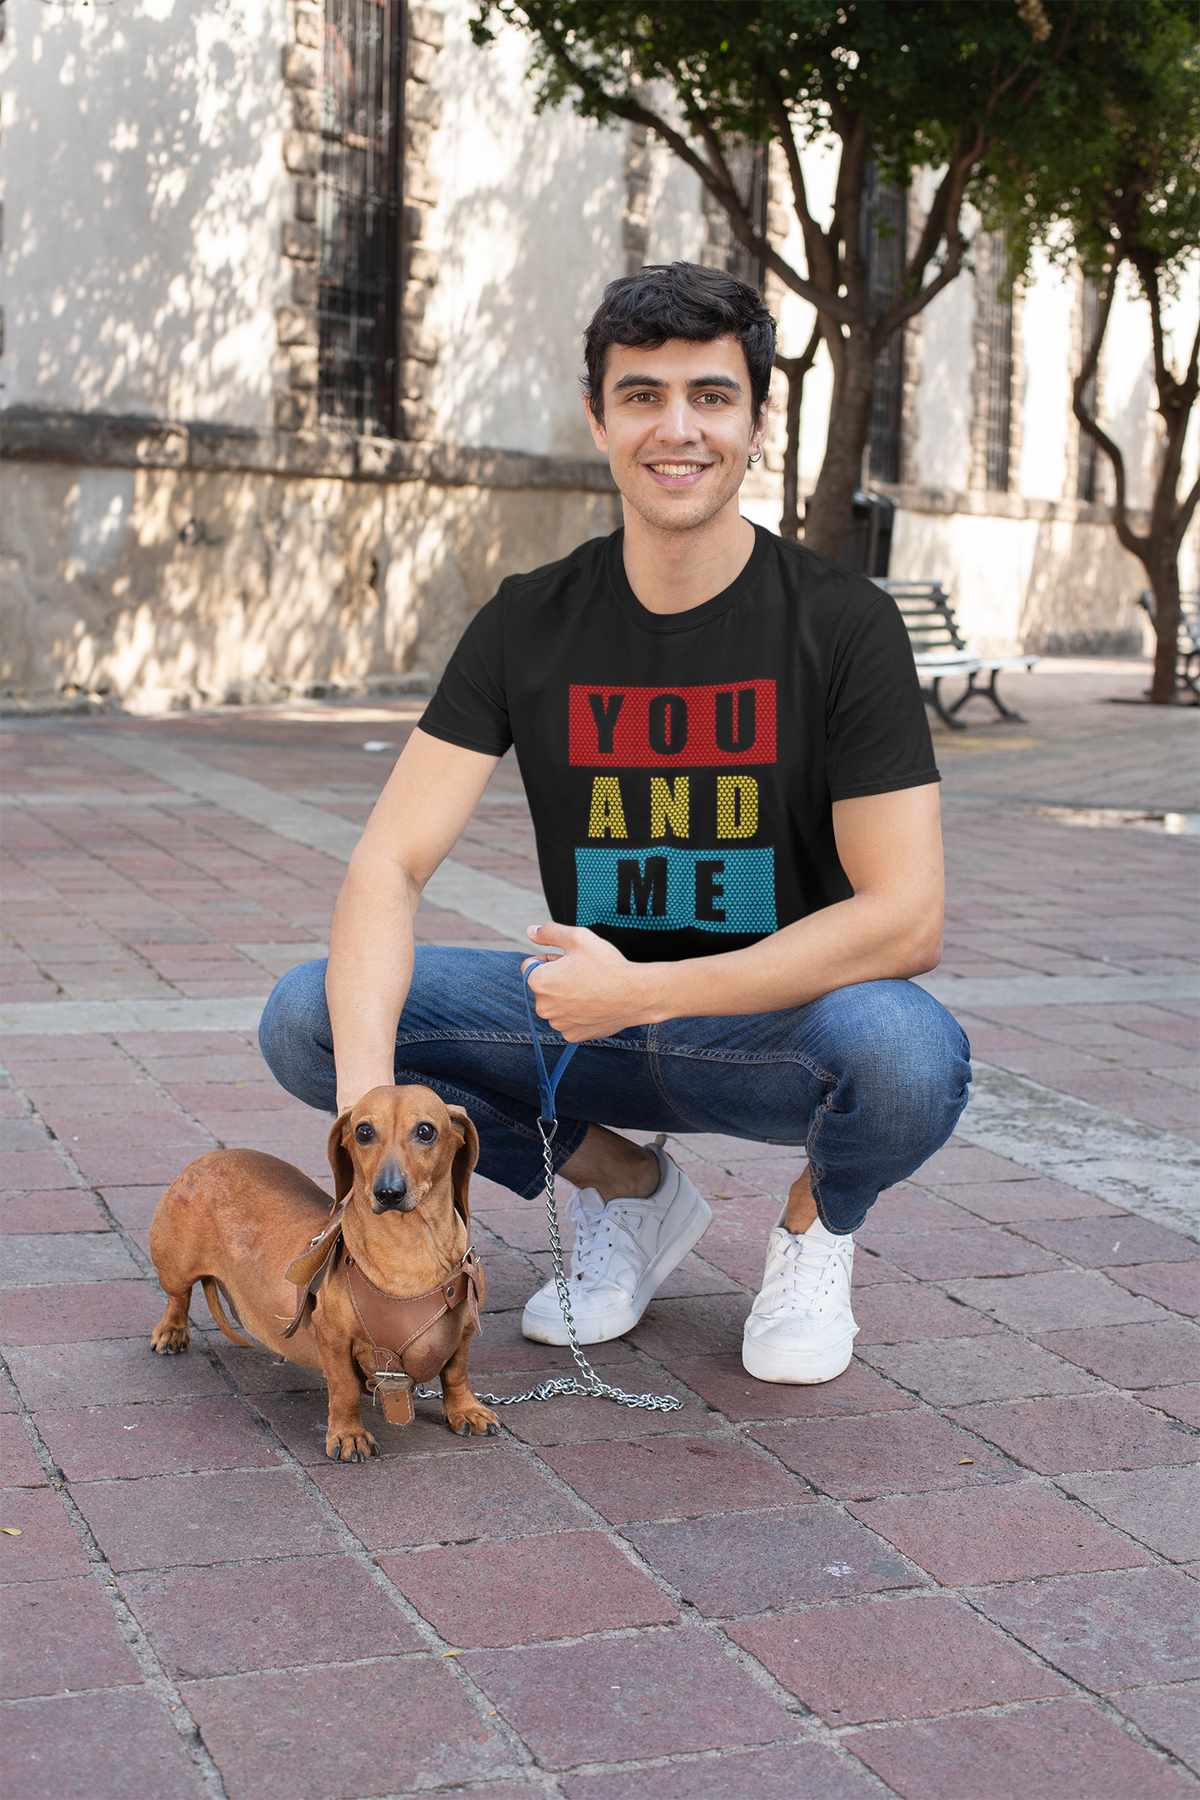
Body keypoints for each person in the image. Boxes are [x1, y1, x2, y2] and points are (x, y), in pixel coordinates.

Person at [259, 261, 970, 1385]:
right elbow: (388, 863)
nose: (676, 428)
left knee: (909, 1052)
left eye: (711, 396)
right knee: (311, 1016)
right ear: (599, 419)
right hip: (581, 1017)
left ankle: (813, 1225)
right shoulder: (528, 620)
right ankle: (628, 1191)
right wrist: (368, 1119)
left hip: (769, 1030)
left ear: (757, 422)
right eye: (643, 395)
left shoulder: (844, 624)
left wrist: (648, 991)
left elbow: (907, 917)